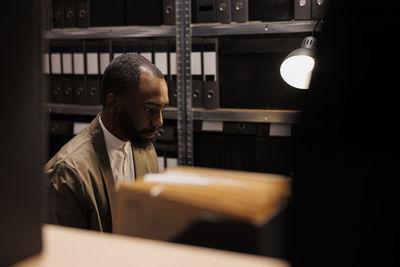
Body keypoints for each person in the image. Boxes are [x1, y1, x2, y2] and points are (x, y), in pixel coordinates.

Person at [45, 53, 169, 232]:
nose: (159, 122)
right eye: (149, 109)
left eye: (161, 109)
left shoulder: (145, 149)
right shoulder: (66, 173)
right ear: (113, 104)